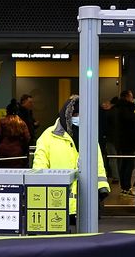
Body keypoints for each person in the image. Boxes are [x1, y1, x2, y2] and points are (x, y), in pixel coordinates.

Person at [32, 96, 108, 228]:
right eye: (75, 114)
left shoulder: (89, 135)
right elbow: (39, 166)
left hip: (86, 201)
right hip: (56, 202)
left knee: (86, 243)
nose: (78, 118)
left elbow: (98, 163)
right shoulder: (48, 136)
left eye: (81, 114)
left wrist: (101, 188)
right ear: (67, 115)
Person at [0, 100, 32, 169]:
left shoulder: (1, 121)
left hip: (3, 154)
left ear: (7, 111)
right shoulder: (21, 122)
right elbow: (27, 138)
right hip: (18, 154)